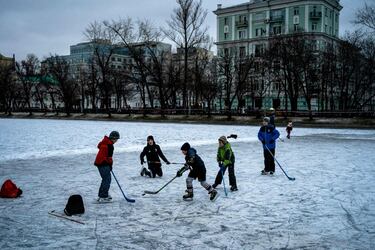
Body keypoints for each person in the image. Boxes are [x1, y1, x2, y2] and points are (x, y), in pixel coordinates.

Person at [94, 131, 120, 202]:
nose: (116, 141)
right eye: (116, 139)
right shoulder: (110, 145)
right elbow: (109, 158)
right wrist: (110, 165)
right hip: (103, 163)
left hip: (99, 162)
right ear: (113, 138)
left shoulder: (104, 142)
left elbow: (99, 146)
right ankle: (103, 196)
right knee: (107, 180)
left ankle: (103, 194)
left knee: (105, 179)